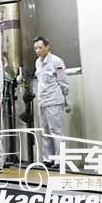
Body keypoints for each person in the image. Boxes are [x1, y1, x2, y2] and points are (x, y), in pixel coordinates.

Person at [33, 36, 69, 169]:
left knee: (56, 131)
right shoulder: (38, 62)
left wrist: (64, 98)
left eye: (40, 47)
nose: (38, 50)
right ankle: (48, 159)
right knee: (45, 131)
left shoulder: (56, 61)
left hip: (54, 101)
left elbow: (63, 82)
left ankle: (60, 161)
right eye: (36, 48)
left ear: (47, 47)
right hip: (42, 101)